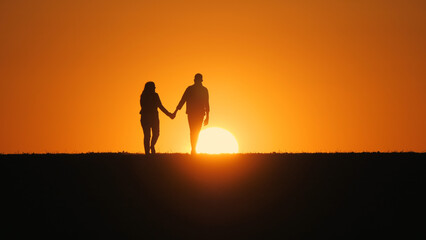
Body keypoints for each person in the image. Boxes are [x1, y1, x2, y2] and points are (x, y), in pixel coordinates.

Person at [174, 73, 210, 154]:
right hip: (193, 113)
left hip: (198, 113)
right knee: (193, 131)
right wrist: (176, 111)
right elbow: (182, 100)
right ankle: (193, 149)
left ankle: (193, 149)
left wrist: (207, 117)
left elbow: (206, 104)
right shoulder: (192, 89)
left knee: (195, 131)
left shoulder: (202, 90)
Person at [139, 81, 174, 154]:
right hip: (147, 117)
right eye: (153, 87)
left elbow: (160, 106)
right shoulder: (144, 96)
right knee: (147, 135)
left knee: (156, 134)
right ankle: (147, 153)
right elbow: (159, 106)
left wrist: (169, 114)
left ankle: (152, 146)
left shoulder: (155, 95)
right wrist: (169, 115)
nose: (154, 89)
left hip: (153, 117)